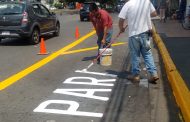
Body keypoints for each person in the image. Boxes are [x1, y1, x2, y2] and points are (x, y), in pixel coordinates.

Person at [118, 0, 159, 83]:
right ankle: (154, 73)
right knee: (147, 54)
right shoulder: (146, 2)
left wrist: (121, 28)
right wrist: (144, 16)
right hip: (145, 34)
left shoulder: (128, 4)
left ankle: (136, 75)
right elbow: (154, 13)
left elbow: (121, 19)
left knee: (135, 55)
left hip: (134, 35)